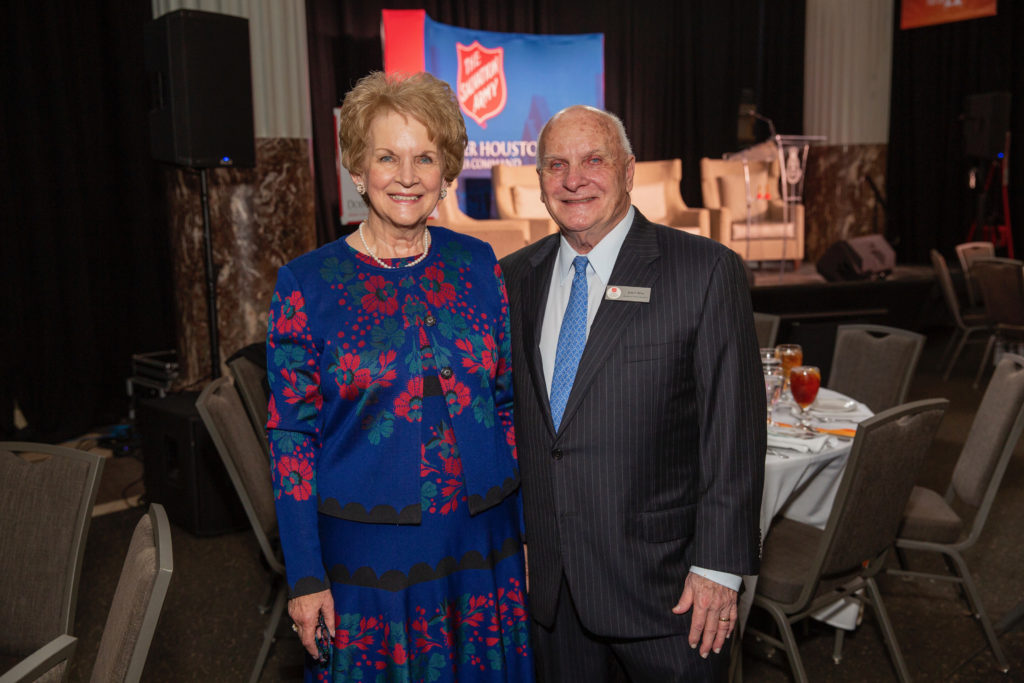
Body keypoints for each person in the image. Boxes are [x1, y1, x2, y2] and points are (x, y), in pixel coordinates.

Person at [266, 71, 533, 682]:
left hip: (484, 545)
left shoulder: (477, 263)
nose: (407, 176)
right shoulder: (307, 284)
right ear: (358, 171)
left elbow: (506, 404)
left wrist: (527, 535)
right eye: (387, 157)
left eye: (425, 158)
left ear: (446, 174)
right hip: (369, 561)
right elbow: (291, 442)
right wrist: (306, 577)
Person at [499, 105, 765, 681]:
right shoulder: (513, 278)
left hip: (669, 595)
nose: (574, 179)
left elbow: (734, 430)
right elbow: (511, 423)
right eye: (556, 165)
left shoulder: (704, 271)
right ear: (540, 180)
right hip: (551, 592)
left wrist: (719, 568)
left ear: (628, 170)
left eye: (593, 160)